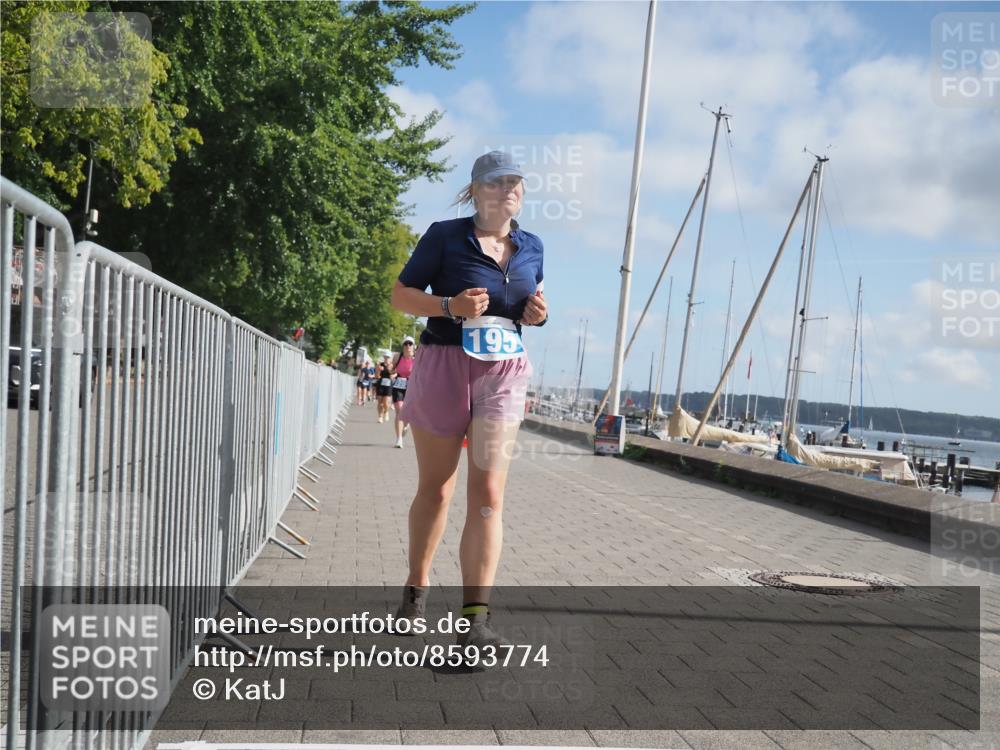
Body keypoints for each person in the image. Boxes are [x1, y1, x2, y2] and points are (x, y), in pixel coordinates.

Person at [388, 150, 547, 652]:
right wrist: (447, 306)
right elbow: (400, 295)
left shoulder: (533, 246)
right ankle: (416, 589)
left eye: (516, 183)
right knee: (436, 490)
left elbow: (528, 302)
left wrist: (538, 315)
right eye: (498, 183)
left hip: (502, 371)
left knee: (488, 496)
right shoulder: (443, 235)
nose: (509, 190)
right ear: (475, 190)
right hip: (443, 364)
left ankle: (474, 621)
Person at [391, 337, 416, 448]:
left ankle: (407, 423)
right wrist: (392, 373)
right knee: (399, 410)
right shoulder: (397, 357)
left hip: (412, 385)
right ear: (403, 346)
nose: (408, 346)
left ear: (414, 346)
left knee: (408, 411)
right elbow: (392, 370)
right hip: (399, 385)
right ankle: (399, 439)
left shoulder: (417, 358)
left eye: (410, 344)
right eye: (406, 344)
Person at [376, 354, 394, 422]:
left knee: (386, 402)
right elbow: (377, 376)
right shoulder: (380, 365)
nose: (386, 358)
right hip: (380, 384)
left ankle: (386, 412)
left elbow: (394, 374)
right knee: (380, 402)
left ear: (390, 358)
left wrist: (390, 371)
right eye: (385, 357)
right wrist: (379, 370)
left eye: (388, 357)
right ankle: (380, 416)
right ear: (383, 357)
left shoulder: (392, 365)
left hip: (388, 385)